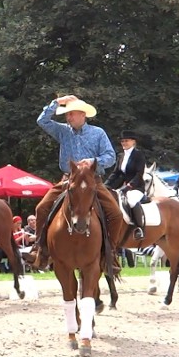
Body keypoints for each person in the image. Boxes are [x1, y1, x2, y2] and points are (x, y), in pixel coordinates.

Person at [30, 95, 120, 269]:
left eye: (71, 114)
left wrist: (93, 161)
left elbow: (110, 157)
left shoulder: (98, 133)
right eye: (67, 114)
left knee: (115, 214)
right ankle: (40, 249)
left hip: (93, 181)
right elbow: (42, 120)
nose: (68, 117)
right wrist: (57, 102)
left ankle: (111, 253)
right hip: (68, 180)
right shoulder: (63, 131)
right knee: (41, 208)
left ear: (83, 115)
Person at [104, 130, 148, 240]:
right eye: (122, 141)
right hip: (122, 187)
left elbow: (139, 174)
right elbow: (116, 173)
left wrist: (129, 186)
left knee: (131, 201)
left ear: (133, 142)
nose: (124, 143)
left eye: (126, 141)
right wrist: (105, 186)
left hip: (136, 187)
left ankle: (139, 228)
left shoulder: (138, 155)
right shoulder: (121, 156)